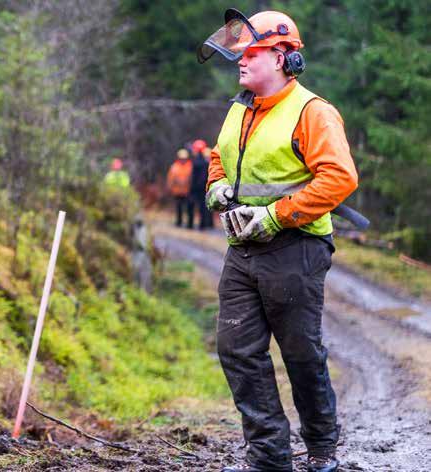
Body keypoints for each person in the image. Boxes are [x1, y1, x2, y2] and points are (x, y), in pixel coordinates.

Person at [198, 9, 358, 472]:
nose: (241, 62)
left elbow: (339, 179)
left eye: (252, 53)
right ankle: (269, 456)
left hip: (297, 247)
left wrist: (276, 216)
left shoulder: (312, 112)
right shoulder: (240, 108)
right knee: (236, 349)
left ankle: (322, 447)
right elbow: (218, 157)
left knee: (301, 351)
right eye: (239, 54)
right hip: (242, 250)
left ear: (284, 57)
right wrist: (216, 186)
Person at [166, 149, 194, 228]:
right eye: (182, 158)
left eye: (184, 158)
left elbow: (193, 177)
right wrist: (170, 187)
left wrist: (187, 181)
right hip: (177, 191)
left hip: (188, 191)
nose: (183, 160)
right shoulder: (174, 166)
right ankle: (179, 221)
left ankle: (189, 223)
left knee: (189, 207)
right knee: (178, 207)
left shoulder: (190, 166)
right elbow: (170, 178)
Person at [189, 139, 213, 229]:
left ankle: (201, 225)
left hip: (198, 187)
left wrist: (193, 187)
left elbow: (195, 176)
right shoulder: (206, 161)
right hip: (205, 186)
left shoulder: (197, 162)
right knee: (205, 206)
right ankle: (206, 224)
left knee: (198, 206)